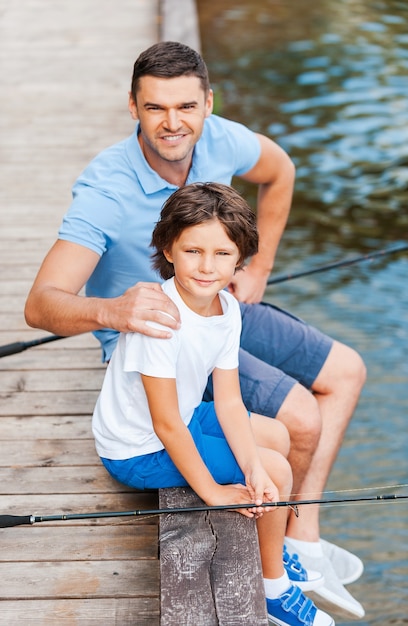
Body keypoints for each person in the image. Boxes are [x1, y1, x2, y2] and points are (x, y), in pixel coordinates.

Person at [24, 40, 367, 619]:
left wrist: (257, 268)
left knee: (348, 371)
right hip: (160, 329)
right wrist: (113, 312)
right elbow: (41, 305)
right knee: (299, 419)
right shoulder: (106, 191)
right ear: (133, 106)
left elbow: (280, 170)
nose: (173, 122)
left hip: (221, 302)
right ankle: (277, 556)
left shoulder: (220, 137)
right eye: (156, 107)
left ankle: (298, 535)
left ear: (208, 103)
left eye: (186, 106)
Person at [92, 181, 334, 626]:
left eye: (222, 254)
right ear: (167, 249)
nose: (207, 267)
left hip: (181, 417)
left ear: (239, 259)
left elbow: (227, 401)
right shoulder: (160, 320)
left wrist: (253, 468)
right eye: (193, 251)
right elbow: (165, 425)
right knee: (278, 471)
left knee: (276, 440)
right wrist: (214, 493)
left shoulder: (227, 308)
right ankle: (274, 589)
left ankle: (271, 541)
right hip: (138, 447)